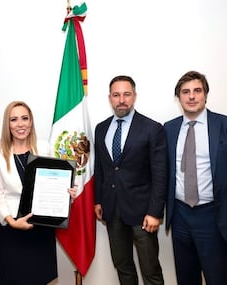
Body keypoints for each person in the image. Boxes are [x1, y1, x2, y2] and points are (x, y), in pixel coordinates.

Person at [164, 70, 227, 285]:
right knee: (186, 279)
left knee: (218, 279)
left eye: (197, 90)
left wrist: (221, 193)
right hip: (180, 216)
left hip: (213, 216)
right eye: (185, 92)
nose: (191, 96)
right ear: (178, 98)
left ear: (205, 94)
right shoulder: (169, 129)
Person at [0, 101, 76, 285]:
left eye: (24, 118)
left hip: (40, 228)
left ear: (31, 122)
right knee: (14, 278)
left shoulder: (44, 148)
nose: (20, 124)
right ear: (7, 124)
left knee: (42, 278)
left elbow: (54, 183)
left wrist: (66, 193)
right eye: (14, 119)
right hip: (11, 228)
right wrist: (12, 222)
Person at [94, 75, 167, 285]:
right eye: (116, 95)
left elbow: (160, 174)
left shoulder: (152, 128)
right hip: (112, 210)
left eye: (126, 94)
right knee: (122, 266)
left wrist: (155, 212)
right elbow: (101, 168)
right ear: (110, 98)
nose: (121, 100)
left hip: (143, 214)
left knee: (150, 270)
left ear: (134, 96)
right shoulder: (101, 128)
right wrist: (99, 200)